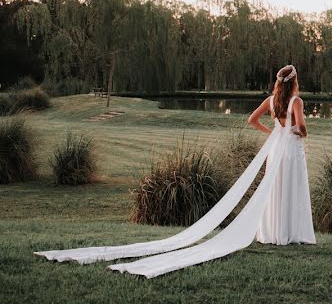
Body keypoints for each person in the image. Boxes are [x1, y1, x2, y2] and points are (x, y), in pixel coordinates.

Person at [34, 64, 316, 278]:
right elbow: (301, 127)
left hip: (277, 148)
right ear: (295, 82)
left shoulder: (272, 100)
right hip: (290, 150)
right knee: (289, 189)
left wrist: (274, 132)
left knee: (274, 190)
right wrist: (293, 132)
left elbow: (251, 119)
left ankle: (273, 234)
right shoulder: (296, 102)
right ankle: (290, 234)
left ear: (278, 82)